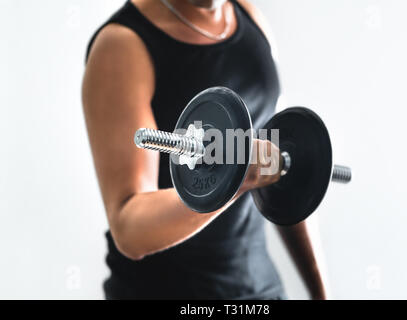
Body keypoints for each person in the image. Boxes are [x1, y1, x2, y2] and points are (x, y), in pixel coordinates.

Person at [82, 0, 327, 299]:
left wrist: (320, 292)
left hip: (260, 291)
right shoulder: (122, 45)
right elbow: (129, 229)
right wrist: (233, 179)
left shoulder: (249, 17)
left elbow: (283, 162)